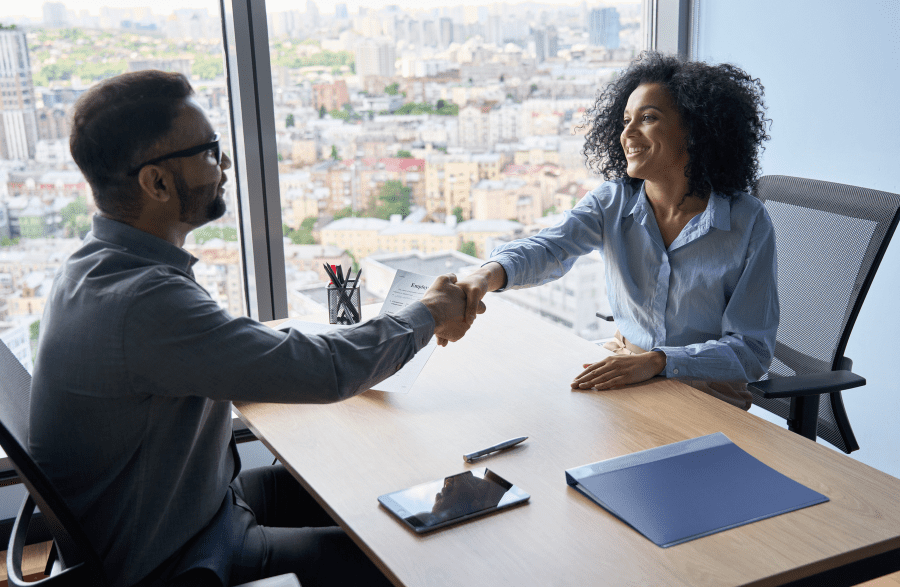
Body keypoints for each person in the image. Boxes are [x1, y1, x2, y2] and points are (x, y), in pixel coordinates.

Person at [29, 70, 483, 587]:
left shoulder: (97, 267)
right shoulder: (145, 302)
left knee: (371, 490)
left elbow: (235, 351)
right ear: (155, 182)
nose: (223, 164)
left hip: (191, 508)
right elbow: (325, 371)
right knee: (411, 558)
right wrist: (429, 313)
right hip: (184, 558)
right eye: (208, 150)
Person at [458, 52, 778, 410]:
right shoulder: (612, 202)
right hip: (624, 371)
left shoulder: (748, 222)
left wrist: (659, 362)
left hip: (707, 392)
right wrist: (483, 278)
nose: (627, 133)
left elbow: (751, 351)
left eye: (648, 118)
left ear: (695, 129)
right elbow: (548, 249)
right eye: (626, 120)